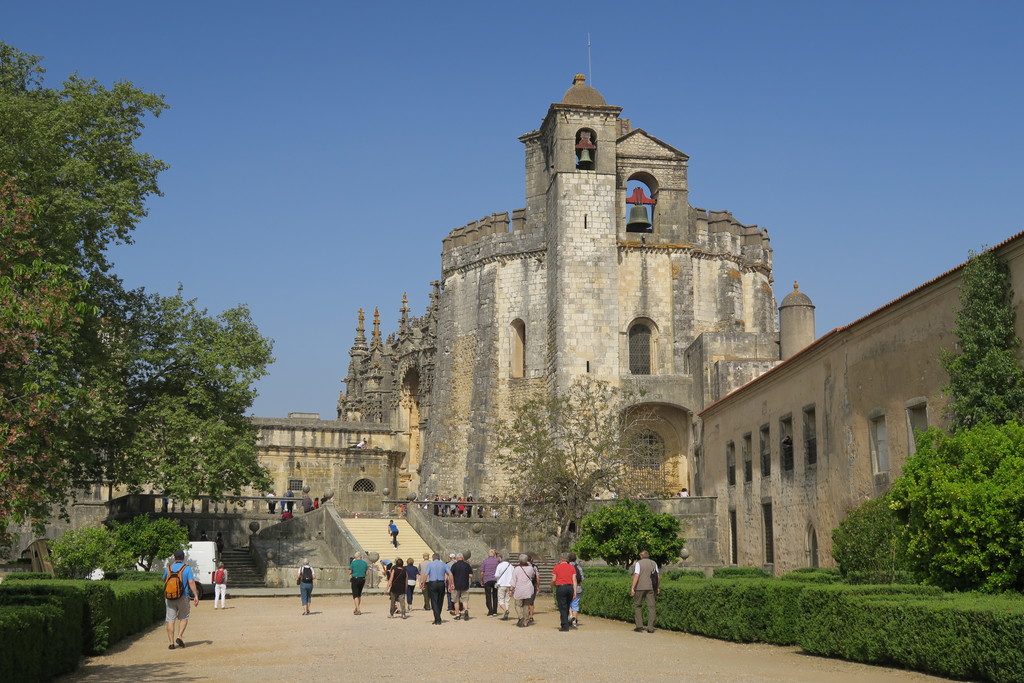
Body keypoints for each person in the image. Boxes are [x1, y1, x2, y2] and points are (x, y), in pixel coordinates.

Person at [163, 549, 200, 649]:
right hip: (183, 596)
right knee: (184, 617)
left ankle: (171, 643)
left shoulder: (168, 568)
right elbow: (191, 582)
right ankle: (179, 636)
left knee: (170, 619)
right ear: (183, 558)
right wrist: (195, 595)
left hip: (170, 597)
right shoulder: (187, 568)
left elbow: (164, 580)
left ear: (174, 557)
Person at [630, 550, 660, 633]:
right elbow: (657, 576)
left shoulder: (639, 563)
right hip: (650, 588)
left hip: (640, 587)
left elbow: (637, 575)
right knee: (651, 607)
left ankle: (639, 626)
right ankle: (650, 628)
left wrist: (633, 587)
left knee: (638, 605)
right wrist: (657, 587)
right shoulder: (654, 563)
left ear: (641, 556)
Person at [421, 552, 452, 625]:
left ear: (433, 558)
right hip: (441, 583)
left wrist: (423, 583)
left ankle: (437, 618)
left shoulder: (430, 564)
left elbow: (426, 575)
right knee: (440, 600)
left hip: (433, 583)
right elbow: (450, 574)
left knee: (434, 600)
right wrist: (451, 583)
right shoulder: (444, 564)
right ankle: (438, 617)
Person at [509, 554, 538, 628]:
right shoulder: (531, 568)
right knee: (526, 605)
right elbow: (532, 576)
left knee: (517, 604)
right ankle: (525, 622)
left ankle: (521, 616)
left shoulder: (517, 569)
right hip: (528, 588)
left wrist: (511, 590)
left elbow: (513, 580)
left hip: (519, 588)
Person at [551, 553, 578, 632]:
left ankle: (564, 625)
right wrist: (575, 592)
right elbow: (574, 580)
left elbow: (553, 579)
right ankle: (566, 622)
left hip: (561, 587)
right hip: (570, 588)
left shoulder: (557, 567)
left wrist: (551, 587)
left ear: (561, 559)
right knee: (567, 605)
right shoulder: (572, 567)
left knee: (562, 606)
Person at [450, 552, 472, 620]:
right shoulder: (467, 565)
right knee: (465, 600)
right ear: (463, 558)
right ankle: (466, 610)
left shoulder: (454, 565)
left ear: (457, 558)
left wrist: (451, 583)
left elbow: (451, 575)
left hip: (456, 585)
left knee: (456, 600)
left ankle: (457, 614)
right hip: (465, 584)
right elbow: (471, 575)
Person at [478, 548, 500, 616]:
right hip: (495, 579)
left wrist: (481, 580)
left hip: (487, 579)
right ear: (494, 554)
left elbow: (482, 572)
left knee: (488, 596)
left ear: (488, 554)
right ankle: (495, 611)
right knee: (495, 595)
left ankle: (490, 611)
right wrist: (496, 554)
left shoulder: (485, 561)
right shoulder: (497, 560)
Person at [494, 553, 514, 620]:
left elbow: (496, 575)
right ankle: (506, 612)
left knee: (501, 600)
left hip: (501, 584)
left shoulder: (500, 565)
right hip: (509, 585)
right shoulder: (511, 566)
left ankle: (505, 610)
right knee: (507, 600)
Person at [568, 551, 583, 627]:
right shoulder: (578, 567)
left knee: (568, 603)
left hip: (569, 587)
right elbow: (582, 578)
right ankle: (574, 622)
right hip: (578, 588)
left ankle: (570, 616)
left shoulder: (567, 567)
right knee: (575, 605)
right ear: (575, 559)